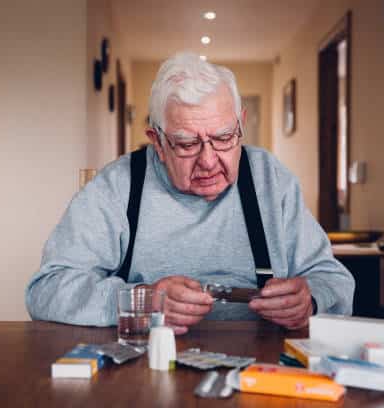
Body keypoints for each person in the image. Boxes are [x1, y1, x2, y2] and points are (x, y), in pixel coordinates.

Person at [26, 52, 354, 334]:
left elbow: (334, 280)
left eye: (225, 137)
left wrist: (310, 300)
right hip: (144, 368)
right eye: (186, 143)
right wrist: (141, 301)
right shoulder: (118, 186)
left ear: (241, 123)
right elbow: (46, 290)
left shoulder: (270, 178)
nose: (209, 161)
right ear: (157, 141)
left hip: (261, 368)